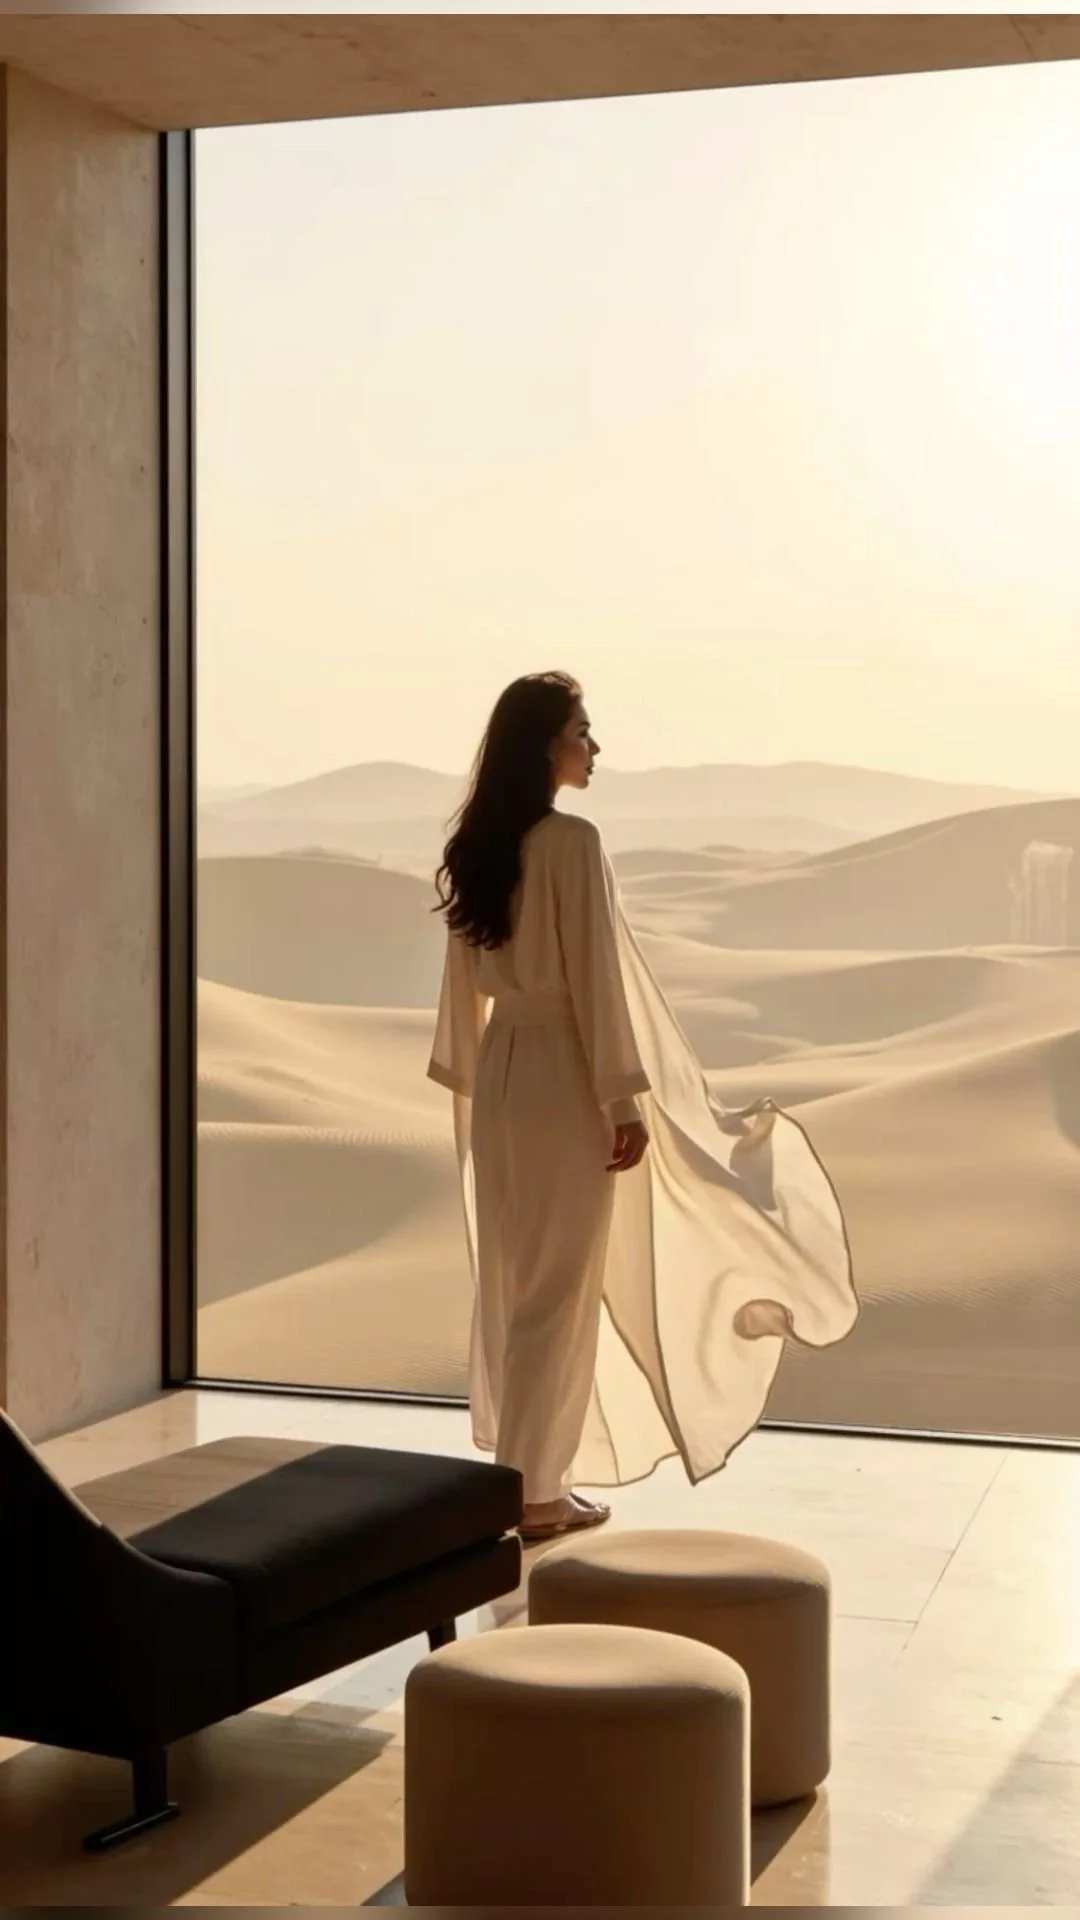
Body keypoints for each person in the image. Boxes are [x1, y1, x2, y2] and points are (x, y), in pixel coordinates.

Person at [429, 672, 857, 1544]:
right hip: (559, 1078)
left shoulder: (482, 844)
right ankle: (536, 1495)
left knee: (521, 1288)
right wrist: (622, 1098)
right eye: (583, 730)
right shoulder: (569, 842)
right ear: (546, 744)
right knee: (557, 1292)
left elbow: (463, 995)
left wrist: (483, 1087)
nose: (595, 747)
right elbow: (596, 979)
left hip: (504, 1082)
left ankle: (524, 1481)